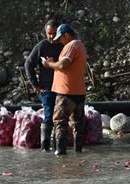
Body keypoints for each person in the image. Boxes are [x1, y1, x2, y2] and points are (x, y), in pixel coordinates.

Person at [42, 23, 87, 155]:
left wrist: (49, 64)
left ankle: (60, 155)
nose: (60, 42)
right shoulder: (80, 46)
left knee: (60, 122)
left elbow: (63, 64)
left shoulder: (72, 45)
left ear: (66, 35)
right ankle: (78, 152)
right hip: (78, 92)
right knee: (77, 124)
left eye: (60, 38)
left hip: (67, 92)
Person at [24, 20, 63, 151]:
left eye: (53, 33)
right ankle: (45, 147)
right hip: (47, 88)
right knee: (48, 116)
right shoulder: (42, 46)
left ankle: (59, 148)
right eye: (49, 34)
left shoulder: (64, 45)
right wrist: (35, 85)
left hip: (62, 87)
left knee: (60, 118)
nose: (51, 37)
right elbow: (28, 64)